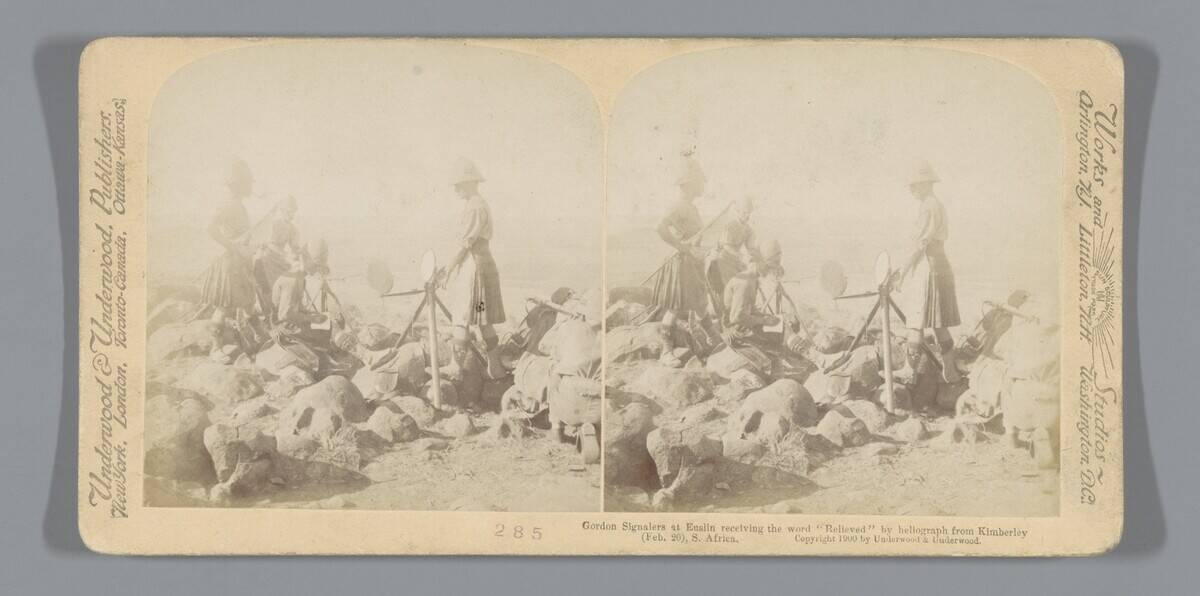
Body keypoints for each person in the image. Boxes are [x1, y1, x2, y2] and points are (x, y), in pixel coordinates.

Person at [894, 161, 963, 384]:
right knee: (939, 323)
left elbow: (919, 245)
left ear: (925, 184)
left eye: (914, 185)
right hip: (941, 264)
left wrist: (901, 273)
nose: (911, 189)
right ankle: (950, 371)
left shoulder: (927, 206)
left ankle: (909, 371)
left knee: (916, 320)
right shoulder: (937, 204)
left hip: (928, 268)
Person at [444, 158, 507, 379]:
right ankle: (495, 368)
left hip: (474, 266)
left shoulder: (474, 207)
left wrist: (449, 268)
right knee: (483, 318)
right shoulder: (480, 204)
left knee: (462, 315)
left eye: (459, 184)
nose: (456, 189)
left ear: (471, 183)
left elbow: (465, 243)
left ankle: (456, 367)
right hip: (483, 262)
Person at [650, 157, 715, 368]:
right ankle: (666, 352)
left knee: (700, 302)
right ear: (689, 185)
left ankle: (714, 340)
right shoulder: (678, 205)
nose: (702, 186)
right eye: (699, 182)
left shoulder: (691, 207)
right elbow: (659, 227)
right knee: (675, 309)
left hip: (691, 263)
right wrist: (681, 246)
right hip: (680, 264)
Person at [199, 159, 262, 342]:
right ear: (238, 185)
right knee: (224, 307)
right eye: (248, 182)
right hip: (229, 264)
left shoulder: (238, 205)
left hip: (240, 262)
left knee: (249, 302)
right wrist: (231, 246)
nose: (251, 186)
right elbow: (209, 227)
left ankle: (259, 336)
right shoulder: (229, 204)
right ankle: (215, 348)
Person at [706, 195, 762, 302]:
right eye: (744, 212)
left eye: (749, 213)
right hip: (721, 259)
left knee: (751, 277)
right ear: (738, 211)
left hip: (735, 260)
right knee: (730, 283)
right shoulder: (730, 226)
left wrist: (757, 257)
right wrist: (743, 257)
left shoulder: (748, 230)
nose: (747, 215)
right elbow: (727, 247)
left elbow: (751, 248)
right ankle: (727, 308)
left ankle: (747, 306)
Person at [253, 195, 302, 314]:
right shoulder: (275, 224)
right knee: (266, 283)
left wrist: (298, 255)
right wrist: (286, 256)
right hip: (267, 257)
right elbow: (271, 245)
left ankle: (291, 307)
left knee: (298, 273)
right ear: (282, 210)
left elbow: (295, 247)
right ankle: (270, 311)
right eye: (289, 212)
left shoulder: (292, 229)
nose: (291, 215)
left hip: (280, 259)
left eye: (293, 212)